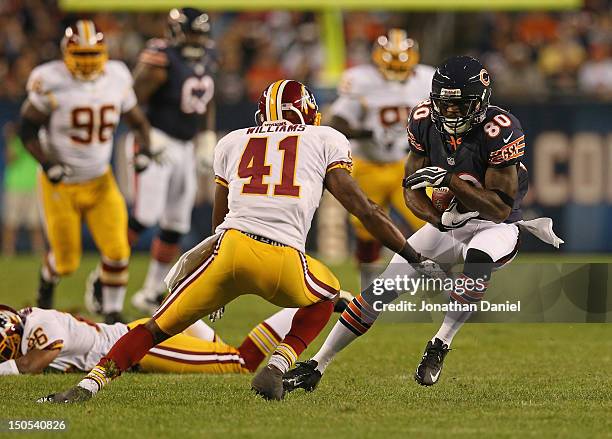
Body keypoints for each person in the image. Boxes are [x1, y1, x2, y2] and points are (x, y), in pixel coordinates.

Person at [40, 79, 440, 403]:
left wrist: (218, 279)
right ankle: (281, 364)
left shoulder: (233, 141)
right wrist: (412, 254)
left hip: (228, 250)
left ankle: (88, 385)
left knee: (153, 328)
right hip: (283, 259)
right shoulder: (324, 139)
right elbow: (366, 210)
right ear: (308, 113)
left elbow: (220, 219)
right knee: (327, 295)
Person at [284, 56, 562, 392]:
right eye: (443, 105)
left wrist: (451, 181)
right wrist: (438, 218)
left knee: (478, 261)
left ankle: (439, 344)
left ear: (480, 102)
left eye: (459, 106)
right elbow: (410, 189)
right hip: (450, 224)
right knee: (382, 288)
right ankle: (317, 364)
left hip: (496, 227)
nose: (450, 114)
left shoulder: (499, 129)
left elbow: (499, 209)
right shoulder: (423, 120)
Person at [19, 20, 151, 322]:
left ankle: (113, 315)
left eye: (94, 55)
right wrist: (48, 164)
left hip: (101, 180)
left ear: (103, 53)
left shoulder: (117, 76)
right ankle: (46, 290)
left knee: (118, 250)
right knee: (66, 262)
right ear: (66, 53)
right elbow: (26, 130)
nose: (88, 62)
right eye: (82, 55)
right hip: (61, 184)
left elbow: (138, 122)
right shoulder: (49, 79)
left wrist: (144, 149)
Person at [88, 8, 217, 315]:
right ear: (174, 31)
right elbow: (128, 101)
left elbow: (206, 100)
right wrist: (146, 139)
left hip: (185, 145)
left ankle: (151, 290)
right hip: (157, 139)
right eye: (191, 32)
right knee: (145, 215)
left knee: (176, 223)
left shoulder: (209, 56)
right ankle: (101, 276)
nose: (196, 39)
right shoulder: (160, 57)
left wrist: (206, 136)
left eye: (200, 32)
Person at [329, 29, 435, 273]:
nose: (397, 72)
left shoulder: (427, 79)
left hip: (404, 164)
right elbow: (337, 123)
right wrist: (368, 132)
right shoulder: (361, 80)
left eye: (402, 66)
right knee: (367, 229)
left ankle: (440, 281)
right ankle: (368, 286)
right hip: (367, 164)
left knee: (429, 220)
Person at [0, 303, 347, 377]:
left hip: (140, 347)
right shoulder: (34, 317)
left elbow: (34, 363)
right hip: (138, 332)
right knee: (230, 354)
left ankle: (316, 304)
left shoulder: (38, 327)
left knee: (242, 363)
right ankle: (312, 304)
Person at [2, 122, 43, 256]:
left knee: (36, 224)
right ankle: (8, 253)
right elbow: (9, 159)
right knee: (11, 223)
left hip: (34, 185)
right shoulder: (16, 141)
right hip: (15, 186)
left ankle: (39, 254)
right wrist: (10, 140)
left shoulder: (38, 142)